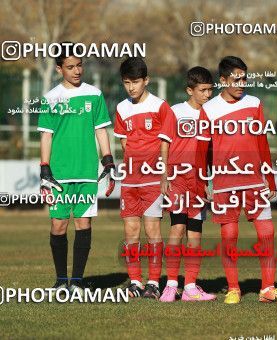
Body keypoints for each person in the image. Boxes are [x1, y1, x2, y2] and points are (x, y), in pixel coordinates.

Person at [195, 56, 277, 304]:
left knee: (267, 232)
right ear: (222, 80)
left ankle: (267, 288)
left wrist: (271, 179)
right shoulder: (209, 110)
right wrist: (203, 182)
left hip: (255, 181)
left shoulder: (254, 103)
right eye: (236, 79)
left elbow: (262, 143)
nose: (241, 83)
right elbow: (203, 151)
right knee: (229, 235)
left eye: (244, 78)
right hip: (225, 184)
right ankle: (234, 288)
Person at [38, 42, 115, 294]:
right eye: (70, 67)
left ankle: (78, 283)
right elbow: (46, 136)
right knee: (58, 225)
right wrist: (44, 168)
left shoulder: (94, 94)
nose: (76, 70)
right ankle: (61, 280)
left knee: (84, 224)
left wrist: (107, 158)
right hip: (59, 174)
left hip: (86, 173)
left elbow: (101, 129)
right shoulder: (50, 98)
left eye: (79, 65)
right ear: (59, 69)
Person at [158, 66, 216, 302]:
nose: (207, 95)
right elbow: (165, 144)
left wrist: (209, 180)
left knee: (195, 232)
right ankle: (171, 285)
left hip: (199, 180)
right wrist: (164, 175)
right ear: (189, 90)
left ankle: (190, 286)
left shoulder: (210, 115)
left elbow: (210, 151)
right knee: (177, 227)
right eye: (202, 90)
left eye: (210, 90)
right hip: (178, 179)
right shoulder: (175, 112)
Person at [113, 57, 168, 299]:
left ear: (146, 80)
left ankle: (154, 283)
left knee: (152, 228)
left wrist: (163, 173)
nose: (131, 87)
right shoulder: (121, 108)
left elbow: (166, 143)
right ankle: (135, 281)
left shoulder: (160, 106)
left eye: (135, 82)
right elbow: (124, 143)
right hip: (130, 179)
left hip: (153, 179)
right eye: (126, 83)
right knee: (131, 229)